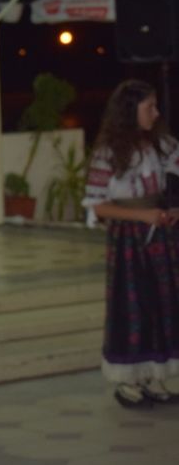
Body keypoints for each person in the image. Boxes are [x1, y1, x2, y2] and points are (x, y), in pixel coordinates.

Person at [82, 79, 179, 408]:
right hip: (128, 240)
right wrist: (142, 215)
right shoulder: (109, 153)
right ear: (130, 110)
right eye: (149, 107)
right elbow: (97, 205)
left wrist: (171, 210)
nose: (156, 112)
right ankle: (129, 380)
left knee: (162, 303)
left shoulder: (161, 144)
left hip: (159, 236)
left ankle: (155, 374)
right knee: (132, 305)